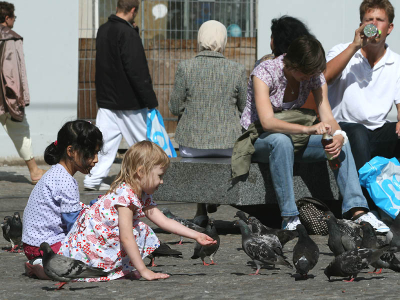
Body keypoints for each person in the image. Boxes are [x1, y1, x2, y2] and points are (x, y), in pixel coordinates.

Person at [239, 35, 389, 233]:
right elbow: (267, 123)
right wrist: (308, 129)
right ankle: (290, 217)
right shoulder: (265, 72)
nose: (310, 79)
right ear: (292, 65)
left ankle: (357, 211)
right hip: (258, 138)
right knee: (281, 141)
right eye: (306, 74)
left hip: (293, 137)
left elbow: (327, 115)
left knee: (341, 143)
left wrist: (338, 135)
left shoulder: (313, 75)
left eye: (313, 74)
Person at [58, 141, 217, 281]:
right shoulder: (125, 196)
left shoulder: (142, 193)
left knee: (140, 230)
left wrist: (197, 235)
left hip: (104, 237)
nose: (161, 181)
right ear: (140, 172)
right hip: (93, 242)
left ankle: (122, 269)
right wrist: (144, 271)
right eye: (160, 176)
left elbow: (164, 221)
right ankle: (39, 267)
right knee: (137, 231)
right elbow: (126, 238)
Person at [83, 0, 158, 191]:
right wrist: (150, 99)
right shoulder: (127, 34)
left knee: (103, 144)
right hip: (129, 101)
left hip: (107, 98)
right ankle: (149, 179)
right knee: (141, 144)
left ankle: (93, 179)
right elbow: (137, 69)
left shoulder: (103, 30)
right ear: (133, 10)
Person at [324, 0, 400, 172]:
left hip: (378, 129)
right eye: (368, 20)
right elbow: (324, 78)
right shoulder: (342, 50)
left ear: (389, 28)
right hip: (343, 127)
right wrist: (355, 46)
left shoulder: (396, 62)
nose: (373, 24)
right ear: (361, 25)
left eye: (379, 20)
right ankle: (361, 197)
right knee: (358, 132)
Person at [22, 120, 103, 278]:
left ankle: (40, 262)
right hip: (46, 245)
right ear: (71, 151)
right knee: (94, 255)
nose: (95, 159)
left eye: (97, 153)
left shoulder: (57, 173)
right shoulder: (65, 180)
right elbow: (74, 223)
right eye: (90, 154)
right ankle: (45, 268)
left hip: (32, 243)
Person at [169, 20, 247, 158]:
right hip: (228, 144)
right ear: (224, 40)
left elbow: (175, 108)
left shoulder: (185, 67)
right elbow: (244, 108)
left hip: (191, 144)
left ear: (199, 38)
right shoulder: (237, 70)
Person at [0, 1, 46, 184]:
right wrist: (19, 97)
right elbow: (10, 72)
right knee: (21, 130)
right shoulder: (10, 38)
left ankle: (35, 171)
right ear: (7, 18)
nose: (14, 21)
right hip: (6, 97)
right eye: (14, 17)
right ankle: (34, 171)